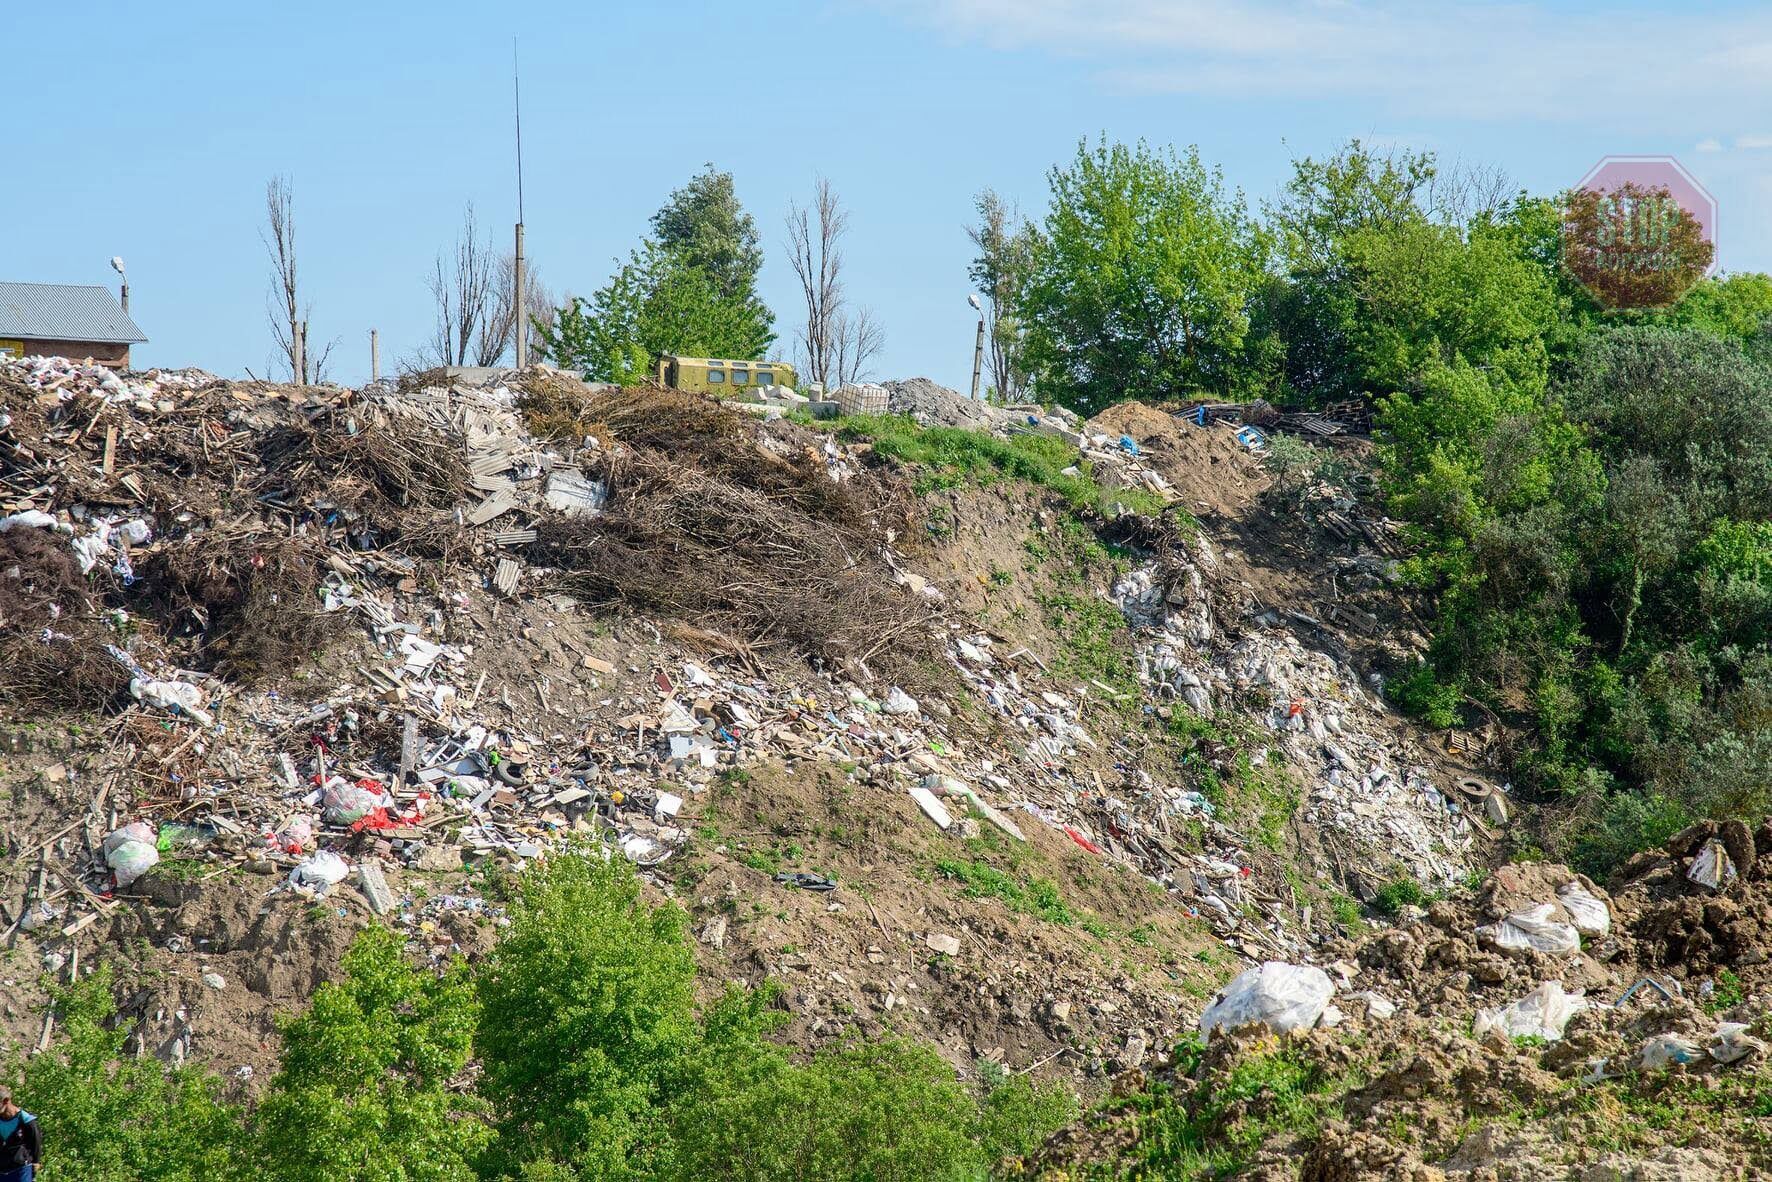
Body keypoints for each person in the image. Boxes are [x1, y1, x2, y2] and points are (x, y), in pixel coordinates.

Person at [0, 1086, 40, 1182]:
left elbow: (36, 1145)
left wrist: (35, 1165)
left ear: (6, 1101)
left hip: (21, 1170)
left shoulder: (26, 1121)